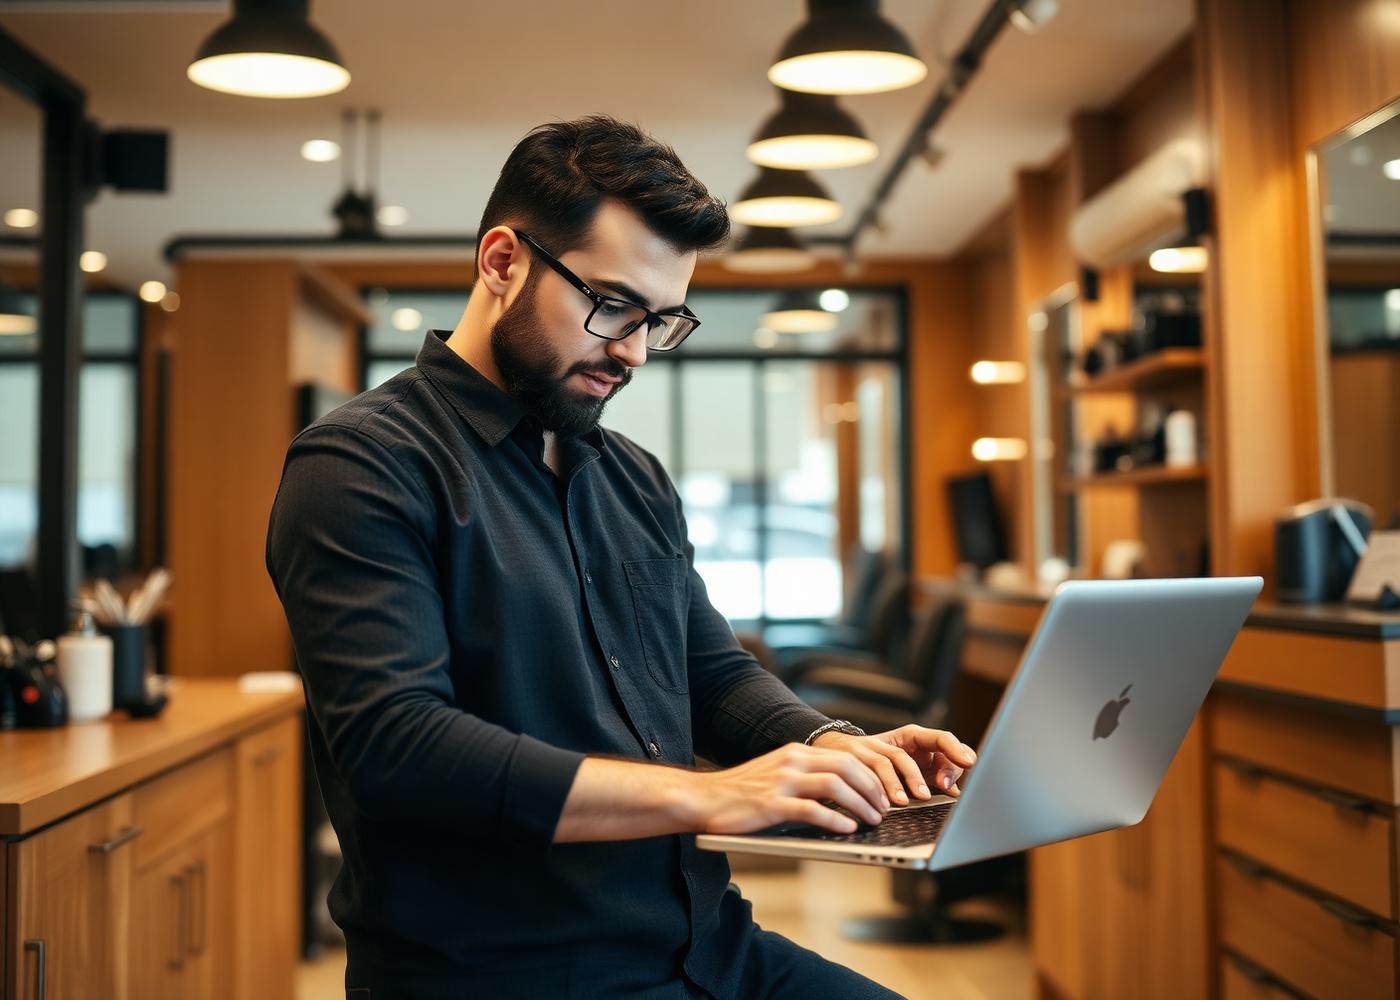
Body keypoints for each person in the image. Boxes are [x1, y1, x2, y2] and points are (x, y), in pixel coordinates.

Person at [266, 114, 976, 1000]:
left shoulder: (632, 477)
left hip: (707, 947)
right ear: (501, 262)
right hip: (503, 977)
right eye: (611, 306)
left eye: (661, 321)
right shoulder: (362, 464)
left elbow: (710, 674)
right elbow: (398, 746)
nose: (634, 351)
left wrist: (841, 749)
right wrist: (714, 797)